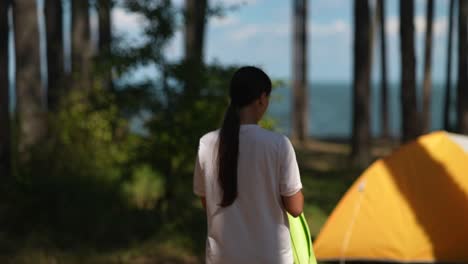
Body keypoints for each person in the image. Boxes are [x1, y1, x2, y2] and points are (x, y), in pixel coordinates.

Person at [193, 66, 304, 264]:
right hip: (270, 256)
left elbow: (206, 201)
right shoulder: (278, 144)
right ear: (262, 98)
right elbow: (295, 208)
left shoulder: (206, 143)